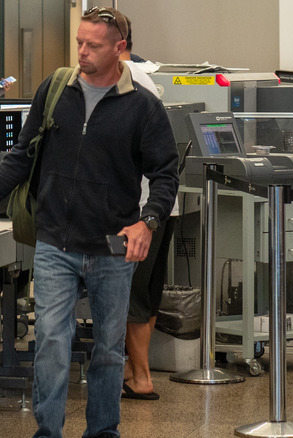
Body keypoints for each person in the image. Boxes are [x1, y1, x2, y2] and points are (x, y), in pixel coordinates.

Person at [0, 6, 178, 437]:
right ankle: (47, 432)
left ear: (120, 49)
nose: (83, 52)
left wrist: (148, 221)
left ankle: (103, 431)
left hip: (112, 245)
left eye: (94, 45)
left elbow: (165, 173)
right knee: (51, 343)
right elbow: (21, 155)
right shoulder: (56, 89)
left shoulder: (143, 107)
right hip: (56, 242)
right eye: (79, 43)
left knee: (109, 350)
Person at [119, 14, 180, 401]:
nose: (83, 55)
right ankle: (133, 369)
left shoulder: (126, 80)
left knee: (133, 294)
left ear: (118, 42)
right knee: (149, 290)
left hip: (140, 207)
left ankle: (140, 378)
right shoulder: (144, 76)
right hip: (162, 203)